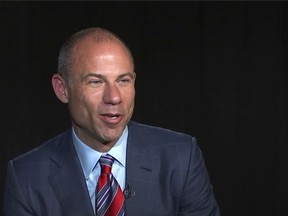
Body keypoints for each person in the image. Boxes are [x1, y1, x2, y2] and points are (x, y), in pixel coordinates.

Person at [3, 27, 220, 216]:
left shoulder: (181, 159)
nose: (114, 97)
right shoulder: (27, 177)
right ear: (62, 89)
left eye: (123, 80)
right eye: (96, 82)